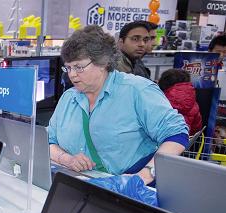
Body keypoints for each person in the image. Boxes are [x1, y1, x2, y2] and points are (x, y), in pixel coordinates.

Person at [48, 25, 188, 185]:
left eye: (79, 67)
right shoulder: (68, 98)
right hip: (83, 187)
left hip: (131, 192)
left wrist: (145, 175)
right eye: (68, 67)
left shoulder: (137, 90)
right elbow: (49, 141)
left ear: (103, 63)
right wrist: (67, 159)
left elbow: (177, 135)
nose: (72, 74)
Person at [158, 69, 202, 136]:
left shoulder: (160, 99)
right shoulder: (193, 103)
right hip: (182, 142)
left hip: (159, 142)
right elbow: (196, 128)